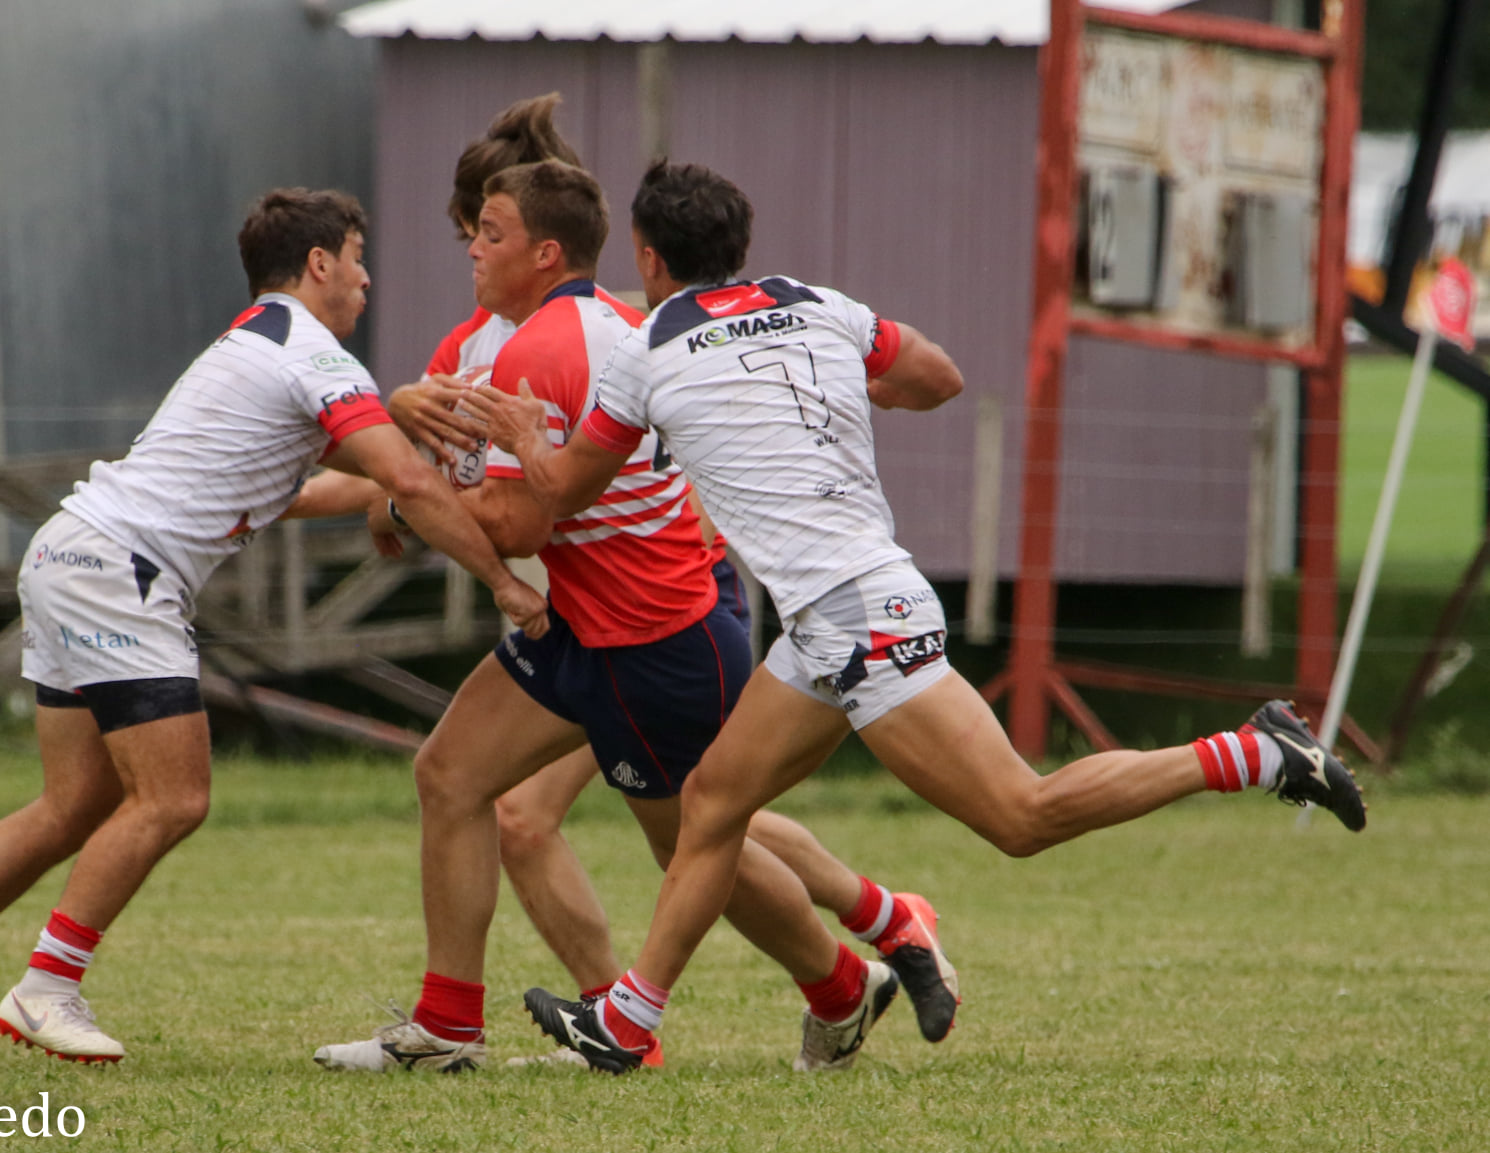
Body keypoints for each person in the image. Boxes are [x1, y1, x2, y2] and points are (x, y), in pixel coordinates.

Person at [465, 159, 1368, 1074]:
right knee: (711, 802)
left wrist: (524, 437)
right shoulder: (817, 303)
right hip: (831, 618)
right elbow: (938, 376)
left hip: (860, 618)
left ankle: (1257, 751)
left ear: (649, 258)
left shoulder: (646, 347)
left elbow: (562, 489)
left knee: (1024, 815)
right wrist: (861, 394)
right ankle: (629, 1021)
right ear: (740, 249)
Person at [0, 189, 549, 1070]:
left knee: (75, 805)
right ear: (320, 263)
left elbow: (302, 489)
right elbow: (404, 475)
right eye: (359, 256)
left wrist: (388, 487)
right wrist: (503, 583)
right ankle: (45, 989)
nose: (368, 276)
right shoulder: (311, 351)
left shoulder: (252, 341)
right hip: (121, 576)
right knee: (174, 798)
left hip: (70, 553)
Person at [311, 159, 944, 1075]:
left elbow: (522, 519)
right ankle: (448, 1026)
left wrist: (415, 500)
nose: (472, 252)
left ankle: (845, 980)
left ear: (545, 251)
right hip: (582, 618)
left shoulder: (539, 348)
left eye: (487, 233)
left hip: (653, 634)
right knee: (453, 776)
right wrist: (411, 462)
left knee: (696, 841)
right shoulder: (603, 322)